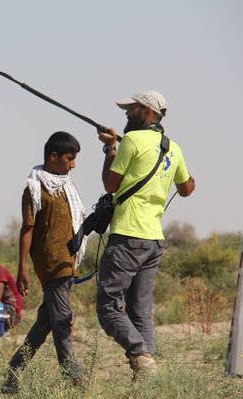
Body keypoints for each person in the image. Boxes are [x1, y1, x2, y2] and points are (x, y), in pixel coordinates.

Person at [96, 90, 195, 380]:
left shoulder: (131, 141)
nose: (127, 113)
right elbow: (187, 188)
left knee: (108, 306)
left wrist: (110, 148)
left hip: (127, 236)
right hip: (153, 240)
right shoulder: (173, 147)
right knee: (140, 311)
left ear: (149, 113)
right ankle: (147, 380)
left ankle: (140, 354)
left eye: (133, 108)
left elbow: (110, 185)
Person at [3, 131, 88, 393]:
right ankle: (72, 376)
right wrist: (22, 270)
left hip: (67, 262)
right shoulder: (34, 188)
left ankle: (13, 372)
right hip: (50, 263)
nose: (73, 164)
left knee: (46, 323)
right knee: (62, 319)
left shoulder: (66, 187)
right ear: (53, 157)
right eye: (69, 158)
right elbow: (27, 229)